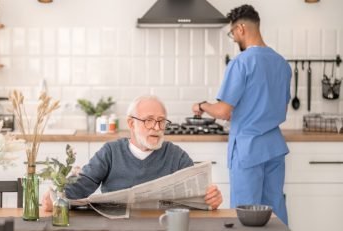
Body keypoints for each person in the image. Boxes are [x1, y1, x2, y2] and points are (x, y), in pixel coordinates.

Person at [191, 5, 291, 225]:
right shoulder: (282, 64)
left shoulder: (241, 62)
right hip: (274, 147)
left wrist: (202, 105)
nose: (234, 38)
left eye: (233, 33)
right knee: (274, 212)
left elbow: (223, 111)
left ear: (241, 29)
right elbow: (282, 112)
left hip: (248, 148)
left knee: (245, 214)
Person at [42, 95, 222, 211]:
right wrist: (55, 197)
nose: (156, 128)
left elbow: (198, 199)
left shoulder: (176, 155)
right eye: (148, 120)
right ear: (131, 124)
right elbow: (80, 188)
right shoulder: (110, 152)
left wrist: (212, 199)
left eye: (161, 121)